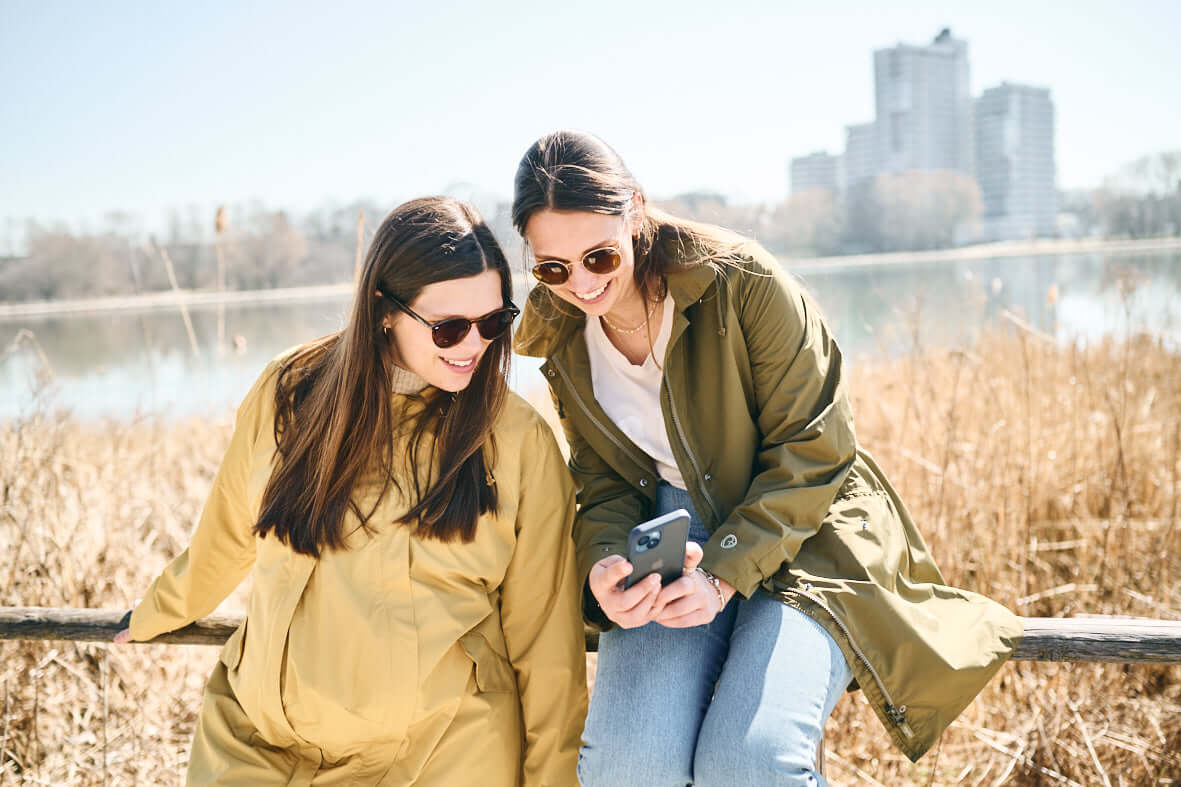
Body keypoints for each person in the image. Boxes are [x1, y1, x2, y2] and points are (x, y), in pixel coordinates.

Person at [510, 130, 1023, 787]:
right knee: (625, 769)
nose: (580, 284)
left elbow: (816, 445)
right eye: (552, 268)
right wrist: (607, 559)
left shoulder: (739, 280)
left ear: (634, 211)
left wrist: (722, 573)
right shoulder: (558, 333)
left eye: (599, 256)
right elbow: (604, 478)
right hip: (667, 544)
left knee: (747, 765)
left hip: (805, 526)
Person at [114, 197, 587, 786]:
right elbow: (230, 530)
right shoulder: (290, 393)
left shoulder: (517, 441)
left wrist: (550, 782)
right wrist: (164, 608)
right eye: (449, 327)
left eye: (494, 322)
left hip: (442, 753)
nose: (474, 346)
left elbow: (545, 643)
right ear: (385, 311)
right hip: (264, 744)